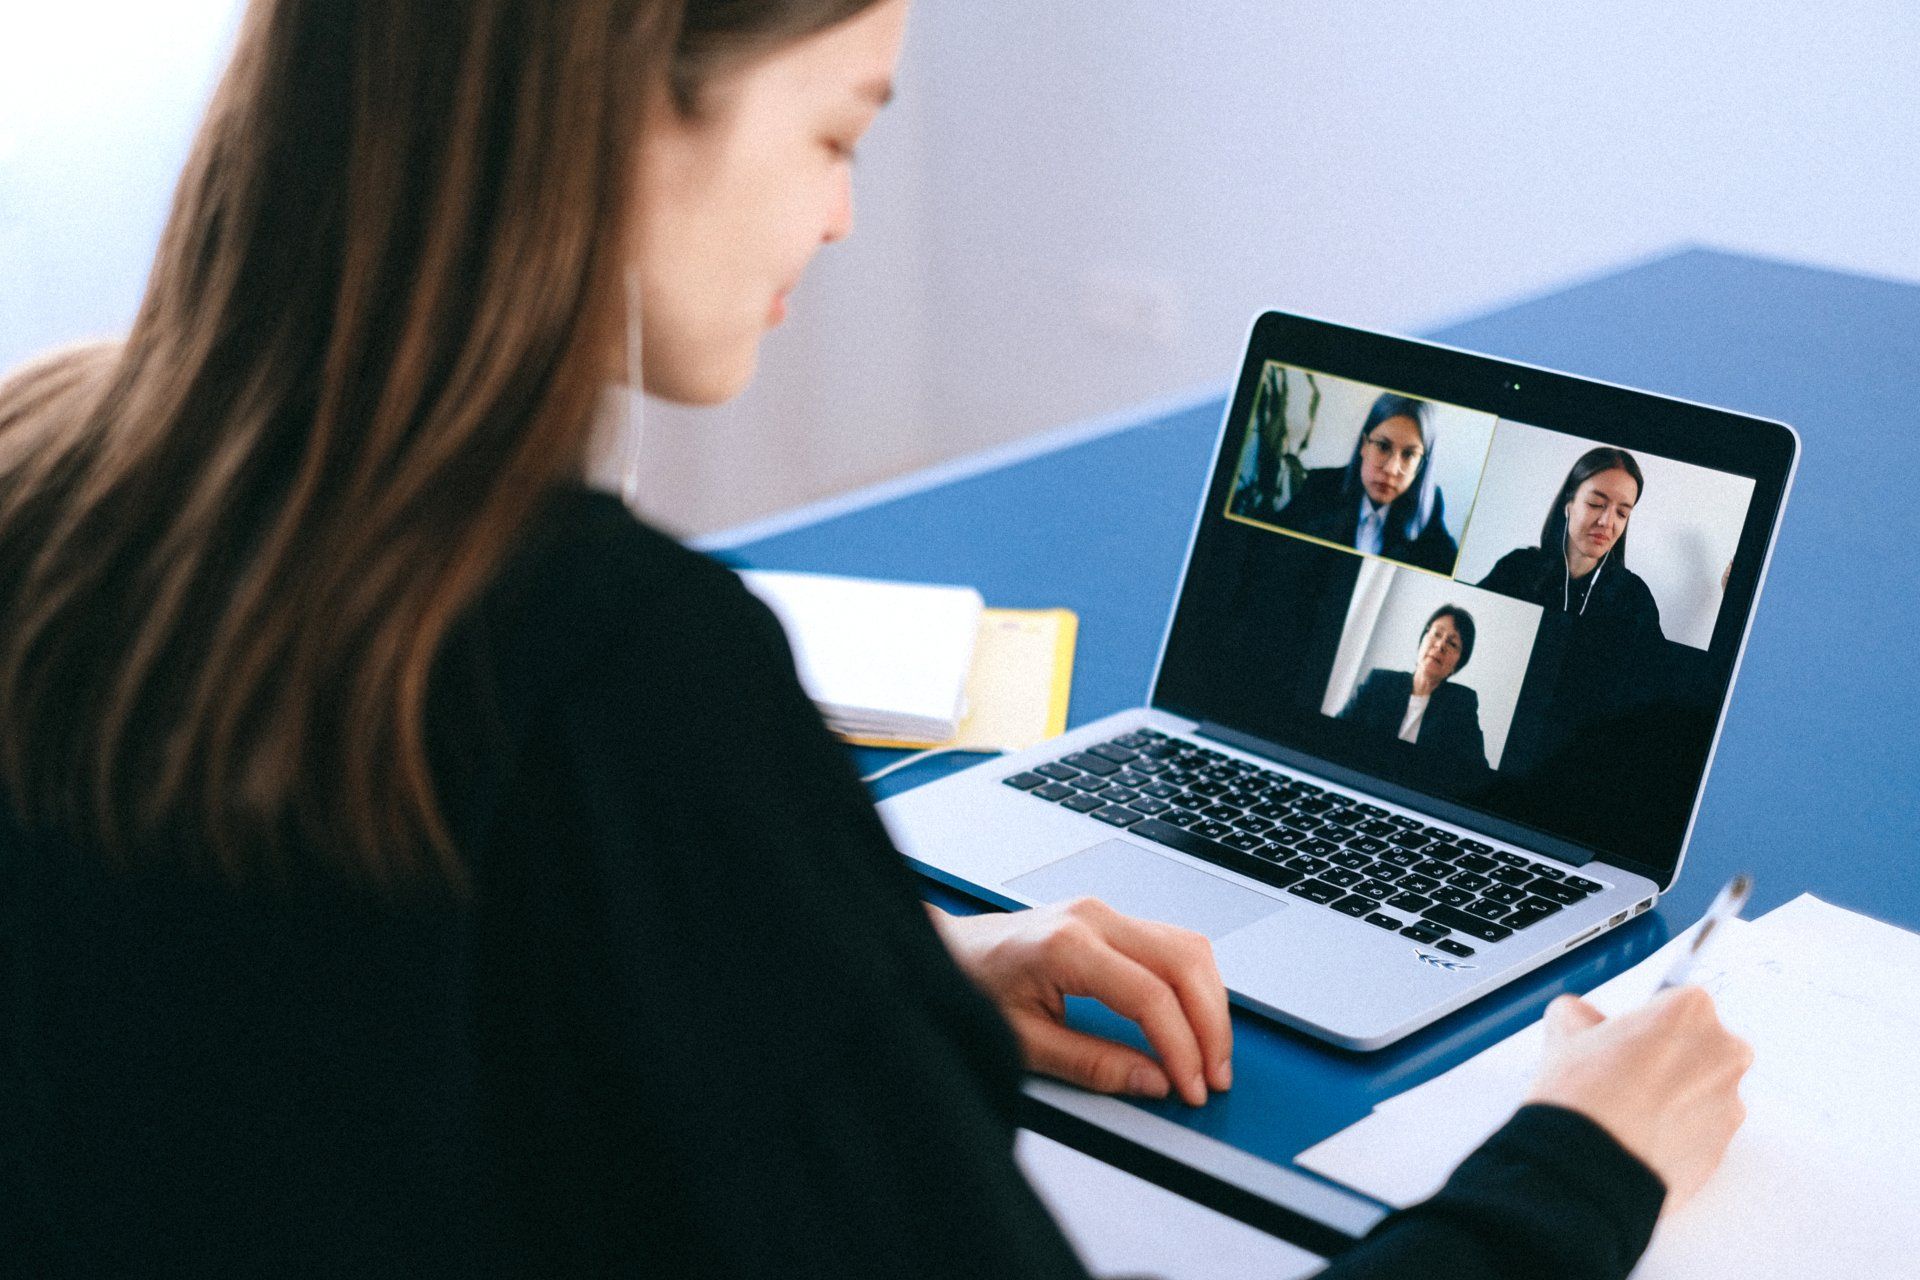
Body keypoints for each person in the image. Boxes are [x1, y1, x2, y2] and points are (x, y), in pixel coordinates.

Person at [0, 2, 1751, 1276]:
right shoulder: (618, 665)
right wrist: (1581, 1165)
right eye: (838, 129)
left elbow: (359, 1004)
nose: (841, 214)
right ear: (620, 97)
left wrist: (873, 974)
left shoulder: (47, 471)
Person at [1477, 447, 1665, 639]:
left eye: (1622, 513)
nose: (1607, 522)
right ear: (1569, 503)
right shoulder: (1517, 569)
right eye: (1595, 504)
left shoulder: (1634, 598)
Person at [1273, 393, 1460, 573]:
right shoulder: (1321, 486)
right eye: (1383, 446)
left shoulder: (1428, 507)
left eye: (1409, 454)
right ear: (1364, 445)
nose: (1391, 469)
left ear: (1421, 465)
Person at [1339, 605, 1488, 769]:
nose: (1440, 645)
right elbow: (1337, 733)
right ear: (1422, 640)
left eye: (1452, 644)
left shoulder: (1460, 704)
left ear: (1457, 664)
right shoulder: (1379, 682)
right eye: (1437, 634)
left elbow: (1476, 769)